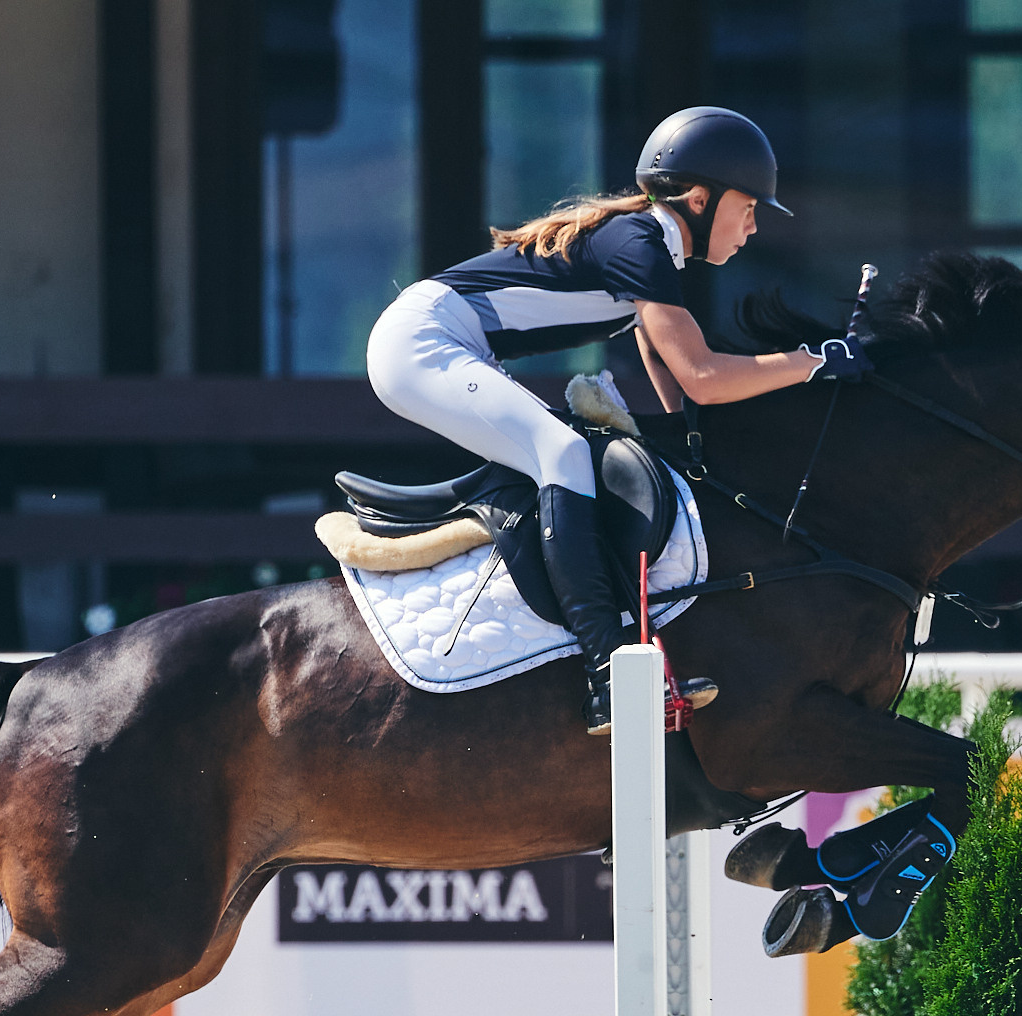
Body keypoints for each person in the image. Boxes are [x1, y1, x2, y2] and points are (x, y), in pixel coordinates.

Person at [365, 107, 867, 733]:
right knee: (565, 454)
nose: (754, 227)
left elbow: (663, 365)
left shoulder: (651, 248)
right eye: (749, 207)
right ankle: (608, 675)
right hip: (421, 343)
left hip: (438, 341)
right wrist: (815, 361)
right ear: (701, 199)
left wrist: (687, 439)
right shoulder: (641, 245)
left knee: (577, 456)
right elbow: (704, 377)